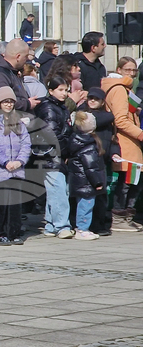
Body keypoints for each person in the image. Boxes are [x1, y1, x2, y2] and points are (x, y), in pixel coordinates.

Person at [0, 86, 31, 246]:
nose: (8, 104)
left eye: (11, 101)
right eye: (5, 101)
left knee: (15, 206)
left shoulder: (20, 124)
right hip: (0, 171)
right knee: (0, 205)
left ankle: (14, 232)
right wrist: (5, 162)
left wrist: (19, 161)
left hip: (17, 171)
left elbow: (26, 144)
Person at [103, 56, 143, 226]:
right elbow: (120, 120)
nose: (132, 73)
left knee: (132, 180)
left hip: (130, 141)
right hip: (125, 140)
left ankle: (126, 216)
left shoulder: (126, 89)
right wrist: (141, 134)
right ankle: (119, 218)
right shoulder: (119, 89)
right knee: (127, 182)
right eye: (127, 70)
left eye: (134, 70)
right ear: (118, 70)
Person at [34, 77, 75, 239]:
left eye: (66, 90)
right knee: (57, 190)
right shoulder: (49, 108)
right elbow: (52, 135)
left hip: (56, 153)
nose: (64, 93)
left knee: (57, 189)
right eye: (60, 90)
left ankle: (51, 225)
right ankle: (61, 225)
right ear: (51, 91)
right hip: (49, 154)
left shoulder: (60, 107)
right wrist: (66, 151)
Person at [80, 87, 119, 235]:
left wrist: (114, 153)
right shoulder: (83, 115)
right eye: (90, 98)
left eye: (96, 99)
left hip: (101, 160)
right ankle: (83, 225)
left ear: (102, 101)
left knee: (101, 194)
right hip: (85, 160)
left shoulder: (107, 119)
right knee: (85, 194)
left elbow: (113, 140)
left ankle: (99, 225)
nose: (92, 101)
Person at [67, 111, 106, 240]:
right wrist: (97, 182)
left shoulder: (77, 141)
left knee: (81, 204)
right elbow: (91, 167)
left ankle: (80, 227)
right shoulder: (88, 146)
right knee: (86, 206)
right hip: (87, 183)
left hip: (79, 180)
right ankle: (82, 229)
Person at [0, 39, 39, 113]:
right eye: (26, 56)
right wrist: (27, 104)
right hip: (5, 122)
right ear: (18, 56)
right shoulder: (0, 74)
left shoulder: (12, 72)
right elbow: (4, 103)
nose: (27, 59)